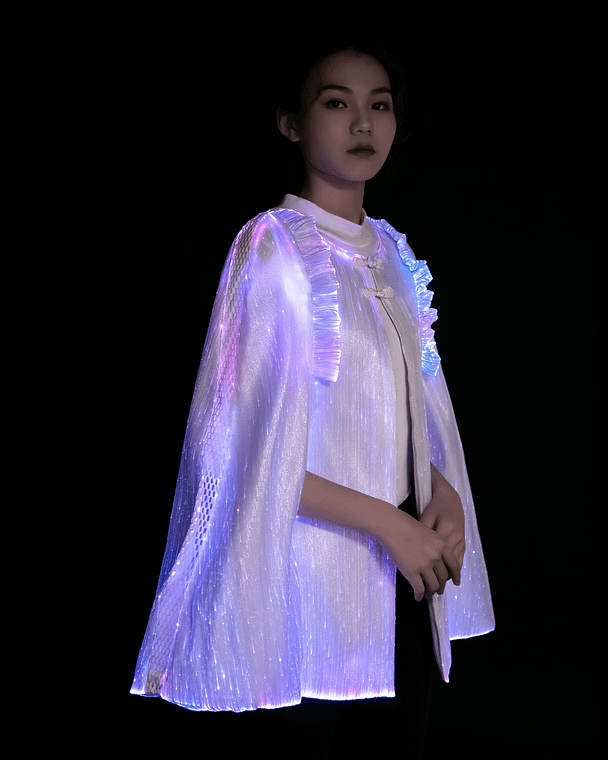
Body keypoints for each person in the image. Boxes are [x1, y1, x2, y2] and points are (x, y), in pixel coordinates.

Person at [130, 37, 495, 758]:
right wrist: (390, 525)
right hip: (305, 592)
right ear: (291, 122)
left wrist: (444, 496)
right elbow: (244, 453)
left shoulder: (391, 251)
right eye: (336, 103)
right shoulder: (274, 247)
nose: (363, 123)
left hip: (401, 591)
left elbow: (406, 414)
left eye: (379, 106)